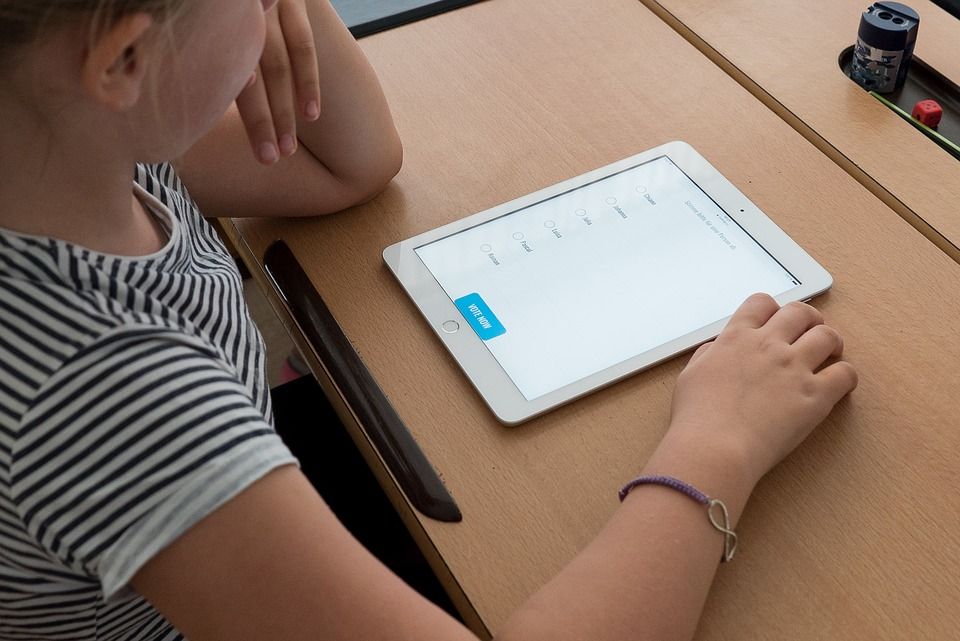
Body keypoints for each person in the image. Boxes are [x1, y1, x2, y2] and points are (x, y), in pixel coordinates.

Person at [0, 0, 858, 639]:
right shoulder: (107, 387)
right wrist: (717, 445)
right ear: (123, 61)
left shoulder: (65, 151)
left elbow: (351, 165)